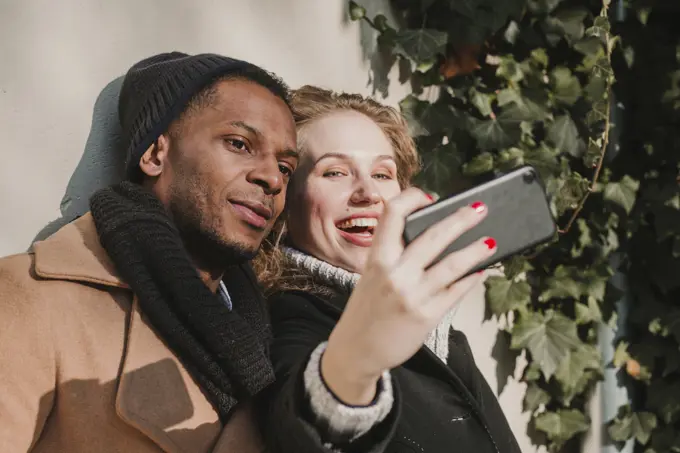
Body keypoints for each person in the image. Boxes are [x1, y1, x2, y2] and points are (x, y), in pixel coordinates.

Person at [0, 53, 396, 453]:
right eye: (239, 144)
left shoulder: (270, 336)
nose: (272, 178)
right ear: (156, 154)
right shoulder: (27, 299)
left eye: (285, 166)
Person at [254, 86, 523, 453]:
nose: (368, 193)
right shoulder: (285, 322)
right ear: (287, 199)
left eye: (382, 174)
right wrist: (354, 365)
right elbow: (301, 427)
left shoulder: (443, 338)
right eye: (334, 172)